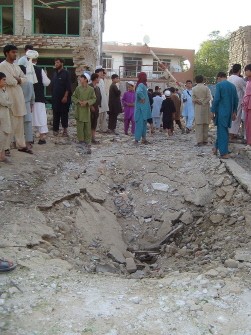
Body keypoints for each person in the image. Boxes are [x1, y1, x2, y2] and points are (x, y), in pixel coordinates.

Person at [0, 44, 32, 154]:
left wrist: (18, 79)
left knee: (19, 123)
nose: (15, 54)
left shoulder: (17, 66)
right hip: (9, 96)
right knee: (9, 123)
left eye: (16, 52)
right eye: (13, 52)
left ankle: (21, 145)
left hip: (18, 96)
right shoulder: (2, 66)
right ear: (6, 53)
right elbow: (9, 81)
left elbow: (25, 78)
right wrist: (18, 80)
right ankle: (5, 148)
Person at [211, 72, 238, 159]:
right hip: (229, 112)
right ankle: (216, 147)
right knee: (223, 130)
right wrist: (234, 112)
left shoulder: (219, 85)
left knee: (222, 132)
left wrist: (212, 111)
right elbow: (236, 100)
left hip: (221, 112)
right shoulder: (232, 86)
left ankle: (224, 153)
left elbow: (216, 99)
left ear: (219, 77)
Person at [72, 73, 96, 154]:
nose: (80, 79)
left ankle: (87, 142)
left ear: (86, 79)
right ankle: (81, 141)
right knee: (80, 126)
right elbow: (73, 97)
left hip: (86, 110)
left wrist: (87, 102)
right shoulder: (78, 88)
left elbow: (94, 98)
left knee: (87, 126)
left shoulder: (91, 89)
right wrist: (78, 101)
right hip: (79, 110)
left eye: (82, 77)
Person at [32, 52, 51, 144]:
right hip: (38, 97)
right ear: (36, 60)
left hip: (26, 98)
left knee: (29, 118)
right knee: (40, 116)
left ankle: (28, 138)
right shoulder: (39, 70)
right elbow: (47, 82)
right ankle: (42, 137)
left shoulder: (22, 69)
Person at [51, 58, 71, 137]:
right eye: (55, 62)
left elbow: (68, 86)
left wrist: (65, 96)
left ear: (62, 63)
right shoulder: (55, 73)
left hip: (63, 99)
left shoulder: (66, 73)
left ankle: (65, 130)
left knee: (64, 114)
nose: (56, 64)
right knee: (55, 114)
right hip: (55, 98)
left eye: (58, 62)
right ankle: (55, 130)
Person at [228, 64, 246, 141]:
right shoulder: (239, 80)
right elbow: (246, 90)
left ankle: (230, 134)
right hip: (238, 100)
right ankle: (232, 135)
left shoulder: (229, 78)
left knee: (230, 117)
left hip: (229, 100)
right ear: (239, 70)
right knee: (236, 117)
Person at [192, 75, 212, 146]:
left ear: (196, 80)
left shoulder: (194, 89)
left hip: (198, 107)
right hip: (206, 107)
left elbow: (193, 98)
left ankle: (199, 141)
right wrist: (203, 102)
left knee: (198, 124)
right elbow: (209, 97)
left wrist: (198, 101)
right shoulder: (206, 88)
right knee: (206, 123)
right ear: (203, 80)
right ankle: (205, 140)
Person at [19, 65, 35, 150]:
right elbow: (33, 96)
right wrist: (32, 105)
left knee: (17, 125)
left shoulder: (17, 83)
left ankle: (16, 143)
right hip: (27, 105)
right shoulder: (29, 83)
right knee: (28, 124)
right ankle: (28, 143)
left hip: (18, 105)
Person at [134, 72, 152, 145]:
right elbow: (138, 92)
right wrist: (143, 98)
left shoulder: (142, 85)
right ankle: (136, 140)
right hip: (141, 109)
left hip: (144, 109)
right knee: (140, 125)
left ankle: (144, 139)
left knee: (144, 124)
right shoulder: (141, 85)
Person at [0, 72, 12, 163]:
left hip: (5, 114)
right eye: (3, 80)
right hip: (1, 115)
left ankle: (2, 155)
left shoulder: (4, 90)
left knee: (5, 135)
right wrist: (8, 103)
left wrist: (8, 103)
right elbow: (4, 102)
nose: (5, 81)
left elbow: (9, 101)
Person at [95, 66, 109, 133]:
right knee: (97, 116)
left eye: (102, 72)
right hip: (98, 102)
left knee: (104, 116)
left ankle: (103, 128)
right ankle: (96, 128)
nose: (102, 73)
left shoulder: (102, 80)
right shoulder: (95, 81)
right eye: (100, 72)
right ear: (97, 72)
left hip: (104, 102)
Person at [89, 72, 102, 144]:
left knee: (94, 123)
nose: (99, 79)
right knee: (89, 123)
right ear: (95, 78)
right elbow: (87, 98)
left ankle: (93, 138)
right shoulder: (89, 87)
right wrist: (90, 106)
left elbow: (99, 97)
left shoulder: (97, 88)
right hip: (89, 109)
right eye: (98, 78)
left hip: (96, 108)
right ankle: (88, 138)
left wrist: (98, 105)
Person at [242, 63, 251, 149]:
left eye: (246, 70)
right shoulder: (248, 81)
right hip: (247, 106)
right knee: (247, 124)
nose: (245, 72)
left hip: (249, 105)